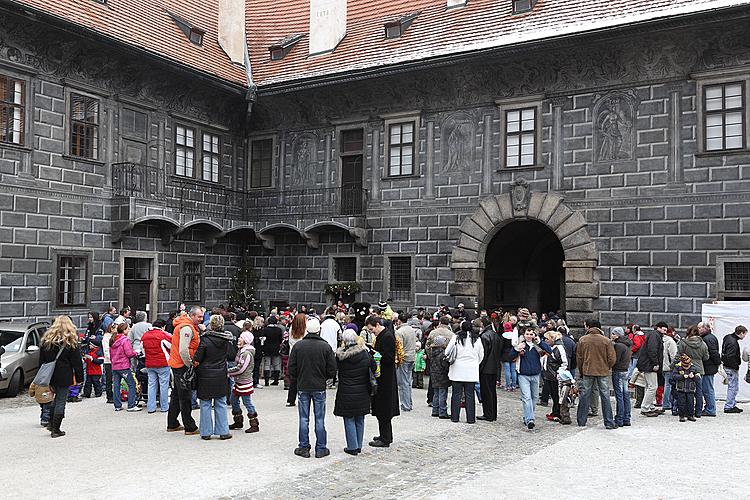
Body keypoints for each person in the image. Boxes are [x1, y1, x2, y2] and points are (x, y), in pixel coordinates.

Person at [288, 317, 337, 458]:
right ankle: (321, 448)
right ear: (319, 330)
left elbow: (291, 368)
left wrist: (298, 378)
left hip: (303, 384)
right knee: (319, 418)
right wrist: (324, 377)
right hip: (319, 385)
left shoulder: (298, 346)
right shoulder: (325, 347)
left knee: (304, 418)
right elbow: (332, 369)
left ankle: (303, 447)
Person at [39, 316, 84, 438]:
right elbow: (77, 362)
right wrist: (80, 378)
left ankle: (50, 422)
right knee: (60, 400)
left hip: (50, 374)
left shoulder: (46, 341)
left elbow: (41, 360)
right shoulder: (70, 342)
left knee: (54, 399)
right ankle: (56, 428)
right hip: (64, 375)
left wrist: (42, 374)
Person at [194, 315, 234, 440]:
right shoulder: (226, 340)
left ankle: (206, 432)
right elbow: (232, 355)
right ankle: (223, 431)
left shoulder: (205, 339)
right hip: (220, 374)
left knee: (205, 403)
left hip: (205, 374)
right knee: (221, 402)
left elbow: (197, 358)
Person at [334, 330, 374, 455]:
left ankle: (352, 446)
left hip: (346, 390)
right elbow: (373, 367)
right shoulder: (365, 353)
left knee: (349, 418)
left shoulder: (340, 357)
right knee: (360, 418)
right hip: (362, 390)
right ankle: (359, 445)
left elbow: (334, 369)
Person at [167, 306, 204, 435]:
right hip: (182, 365)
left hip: (177, 363)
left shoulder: (184, 325)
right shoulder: (187, 328)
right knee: (185, 396)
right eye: (199, 317)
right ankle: (190, 426)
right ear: (192, 316)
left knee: (177, 395)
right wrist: (190, 365)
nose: (201, 319)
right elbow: (183, 350)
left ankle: (172, 423)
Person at [365, 315, 400, 447]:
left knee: (384, 409)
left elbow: (389, 357)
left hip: (386, 378)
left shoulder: (387, 336)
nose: (371, 331)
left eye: (372, 329)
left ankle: (385, 438)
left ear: (378, 324)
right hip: (383, 377)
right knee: (381, 408)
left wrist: (374, 353)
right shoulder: (383, 335)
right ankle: (384, 435)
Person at [576, 319, 616, 428]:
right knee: (605, 396)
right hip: (602, 371)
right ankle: (608, 422)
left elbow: (579, 358)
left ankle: (581, 421)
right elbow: (612, 358)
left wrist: (581, 370)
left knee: (584, 395)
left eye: (585, 326)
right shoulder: (606, 340)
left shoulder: (583, 340)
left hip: (587, 370)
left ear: (589, 327)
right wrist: (607, 367)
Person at [515, 326, 552, 429]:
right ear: (524, 335)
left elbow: (549, 350)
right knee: (526, 397)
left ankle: (527, 415)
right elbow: (510, 356)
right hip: (523, 374)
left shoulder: (538, 345)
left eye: (531, 334)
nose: (529, 336)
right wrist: (517, 349)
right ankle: (530, 419)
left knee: (534, 397)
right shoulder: (521, 345)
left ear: (534, 335)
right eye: (527, 334)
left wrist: (540, 342)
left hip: (535, 374)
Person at [447, 321, 484, 424]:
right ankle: (471, 418)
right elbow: (481, 355)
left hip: (457, 369)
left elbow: (447, 351)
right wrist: (475, 363)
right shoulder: (477, 339)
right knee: (470, 394)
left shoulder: (456, 337)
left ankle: (455, 417)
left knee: (456, 394)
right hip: (471, 370)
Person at [227, 331, 259, 433]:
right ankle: (238, 421)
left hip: (244, 382)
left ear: (245, 340)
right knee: (234, 400)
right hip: (239, 381)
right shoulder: (241, 351)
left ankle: (254, 424)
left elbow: (241, 369)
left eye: (240, 337)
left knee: (247, 402)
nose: (238, 339)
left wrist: (228, 372)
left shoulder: (246, 353)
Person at [676, 325, 708, 418]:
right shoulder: (703, 344)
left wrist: (673, 366)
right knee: (699, 391)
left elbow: (678, 355)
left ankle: (685, 412)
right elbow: (706, 357)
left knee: (685, 391)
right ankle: (698, 412)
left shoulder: (683, 343)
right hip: (699, 369)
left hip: (685, 368)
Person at [141, 319, 172, 414]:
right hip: (163, 363)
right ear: (163, 326)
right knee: (164, 385)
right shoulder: (163, 335)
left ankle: (151, 407)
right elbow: (171, 346)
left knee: (151, 385)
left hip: (150, 363)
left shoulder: (145, 336)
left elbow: (143, 350)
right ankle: (164, 407)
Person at [109, 323, 140, 412]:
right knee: (131, 384)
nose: (129, 330)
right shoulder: (125, 340)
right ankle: (131, 405)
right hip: (123, 366)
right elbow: (129, 353)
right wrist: (136, 353)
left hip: (115, 366)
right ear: (124, 330)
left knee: (116, 386)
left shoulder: (113, 339)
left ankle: (117, 405)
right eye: (128, 328)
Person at [637, 322, 664, 417]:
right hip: (650, 365)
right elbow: (652, 350)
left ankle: (651, 406)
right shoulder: (655, 336)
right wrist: (655, 363)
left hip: (647, 364)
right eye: (664, 330)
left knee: (650, 386)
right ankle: (645, 408)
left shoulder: (654, 335)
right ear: (659, 328)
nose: (664, 332)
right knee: (653, 387)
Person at [478, 316, 501, 421]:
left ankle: (488, 414)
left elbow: (483, 355)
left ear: (482, 324)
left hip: (486, 368)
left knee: (486, 392)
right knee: (492, 391)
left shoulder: (485, 336)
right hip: (494, 367)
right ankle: (492, 413)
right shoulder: (495, 335)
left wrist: (480, 368)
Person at [541, 330, 567, 423]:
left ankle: (558, 413)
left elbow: (564, 362)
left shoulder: (559, 348)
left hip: (555, 376)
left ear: (552, 339)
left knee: (557, 396)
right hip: (549, 375)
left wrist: (559, 373)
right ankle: (555, 412)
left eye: (547, 339)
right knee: (553, 395)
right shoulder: (551, 348)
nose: (545, 340)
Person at [721, 325, 747, 413]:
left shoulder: (728, 337)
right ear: (741, 333)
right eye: (744, 334)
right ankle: (729, 406)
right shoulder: (733, 342)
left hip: (727, 366)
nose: (744, 336)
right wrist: (736, 366)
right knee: (733, 387)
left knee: (732, 386)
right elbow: (730, 356)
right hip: (731, 367)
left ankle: (732, 404)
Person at [395, 313, 417, 412]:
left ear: (399, 321)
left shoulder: (399, 332)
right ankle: (409, 403)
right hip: (412, 357)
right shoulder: (412, 330)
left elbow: (399, 347)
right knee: (408, 382)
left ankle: (406, 405)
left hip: (404, 358)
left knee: (403, 382)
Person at [610, 327, 632, 427]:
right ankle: (627, 418)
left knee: (619, 395)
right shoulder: (627, 344)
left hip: (618, 371)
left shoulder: (618, 345)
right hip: (625, 371)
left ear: (618, 335)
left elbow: (615, 360)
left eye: (613, 334)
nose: (612, 335)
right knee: (625, 395)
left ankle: (619, 418)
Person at [698, 321, 721, 417]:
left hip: (708, 367)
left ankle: (710, 409)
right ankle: (709, 408)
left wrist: (718, 363)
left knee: (707, 389)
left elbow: (713, 353)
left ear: (705, 328)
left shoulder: (708, 339)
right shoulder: (709, 337)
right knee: (707, 389)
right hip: (709, 366)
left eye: (700, 328)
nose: (698, 329)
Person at [428, 335, 451, 418]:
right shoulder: (442, 353)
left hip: (434, 374)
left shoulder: (432, 352)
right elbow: (444, 365)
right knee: (442, 393)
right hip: (442, 375)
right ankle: (442, 411)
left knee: (436, 394)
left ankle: (435, 410)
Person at [286, 313, 307, 407]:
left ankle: (291, 399)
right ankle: (303, 398)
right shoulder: (305, 331)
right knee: (303, 378)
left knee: (293, 379)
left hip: (293, 356)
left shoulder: (291, 329)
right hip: (304, 357)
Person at [671, 353, 698, 422]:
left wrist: (694, 376)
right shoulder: (677, 367)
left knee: (691, 402)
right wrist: (682, 376)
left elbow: (698, 377)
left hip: (690, 389)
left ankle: (690, 415)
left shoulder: (693, 368)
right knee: (681, 403)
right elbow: (674, 376)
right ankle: (681, 416)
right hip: (681, 389)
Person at [320, 308, 342, 389]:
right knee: (331, 365)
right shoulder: (336, 324)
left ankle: (322, 381)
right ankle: (329, 383)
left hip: (322, 346)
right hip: (333, 347)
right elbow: (340, 336)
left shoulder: (322, 324)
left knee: (323, 365)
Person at [261, 315, 284, 386]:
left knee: (267, 364)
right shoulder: (278, 330)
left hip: (267, 348)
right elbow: (280, 340)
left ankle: (266, 381)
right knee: (276, 364)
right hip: (276, 348)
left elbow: (263, 340)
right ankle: (276, 380)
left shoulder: (265, 329)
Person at [661, 328, 678, 414]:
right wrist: (674, 366)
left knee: (666, 385)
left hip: (663, 366)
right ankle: (667, 403)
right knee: (669, 385)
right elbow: (673, 355)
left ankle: (665, 403)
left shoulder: (662, 340)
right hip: (669, 367)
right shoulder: (671, 342)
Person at [500, 322, 518, 391]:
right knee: (513, 371)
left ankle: (508, 386)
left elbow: (501, 346)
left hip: (505, 354)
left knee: (507, 371)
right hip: (513, 354)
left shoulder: (503, 335)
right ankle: (514, 385)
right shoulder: (514, 334)